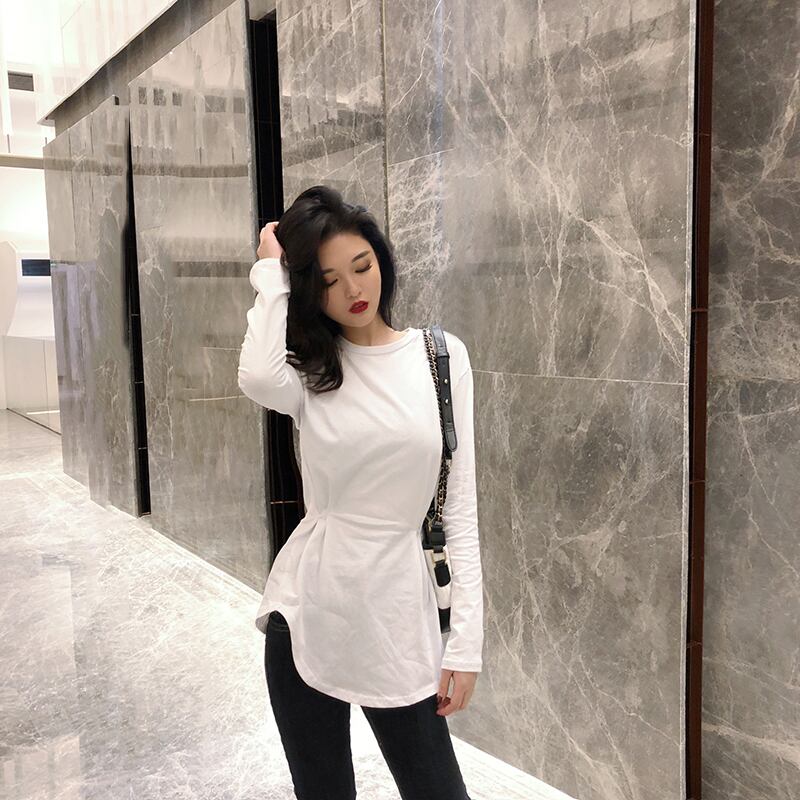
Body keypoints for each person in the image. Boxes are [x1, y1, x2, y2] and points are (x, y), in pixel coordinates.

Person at [237, 185, 483, 800]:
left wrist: (466, 646)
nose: (352, 289)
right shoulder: (310, 373)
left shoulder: (440, 358)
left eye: (361, 266)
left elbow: (459, 511)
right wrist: (271, 271)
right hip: (308, 614)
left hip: (399, 621)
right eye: (327, 280)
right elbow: (256, 375)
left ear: (381, 261)